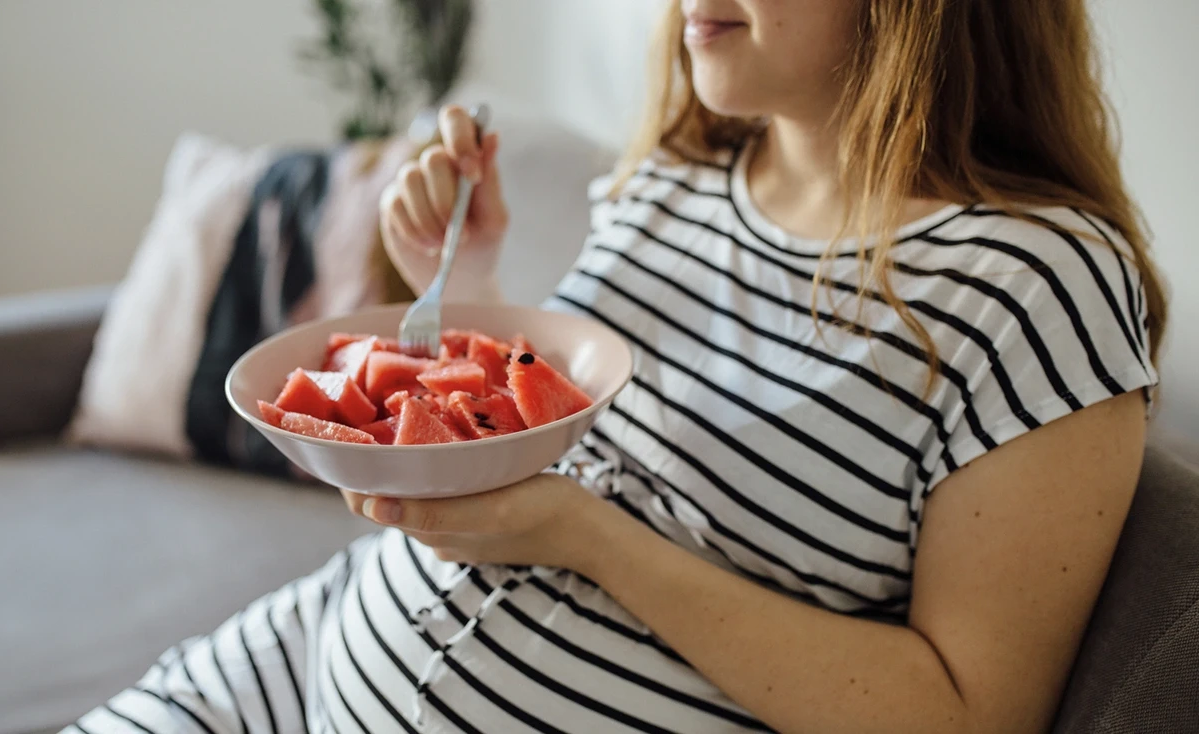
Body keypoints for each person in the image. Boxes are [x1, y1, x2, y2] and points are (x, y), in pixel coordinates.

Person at [65, 0, 1168, 731]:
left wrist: (588, 541)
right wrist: (466, 274)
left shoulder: (1038, 281)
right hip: (289, 663)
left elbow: (970, 712)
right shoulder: (682, 172)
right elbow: (599, 432)